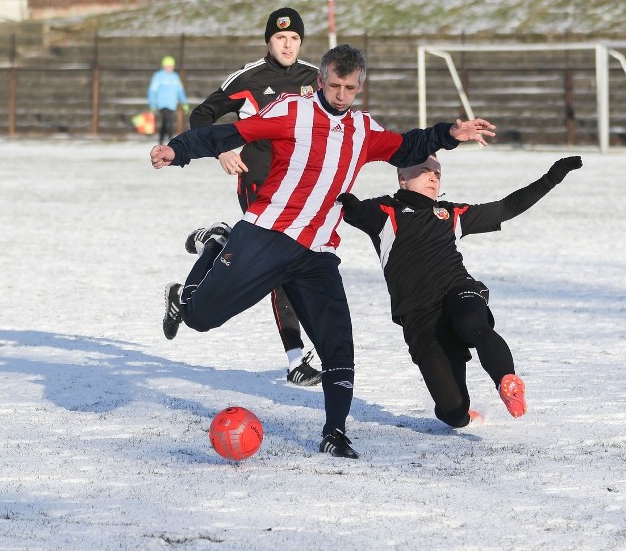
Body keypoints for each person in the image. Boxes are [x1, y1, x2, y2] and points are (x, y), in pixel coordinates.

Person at [150, 44, 496, 458]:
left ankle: (335, 433)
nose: (341, 95)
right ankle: (213, 252)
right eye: (335, 85)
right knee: (201, 318)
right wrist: (179, 150)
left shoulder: (364, 129)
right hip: (267, 234)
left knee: (339, 346)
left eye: (350, 88)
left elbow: (406, 146)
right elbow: (229, 133)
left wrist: (449, 134)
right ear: (320, 80)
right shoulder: (291, 112)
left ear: (359, 86)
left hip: (317, 252)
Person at [337, 153, 583, 429]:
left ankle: (507, 381)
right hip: (419, 318)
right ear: (402, 177)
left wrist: (551, 178)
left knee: (471, 322)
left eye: (438, 173)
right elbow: (346, 208)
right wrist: (347, 202)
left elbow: (506, 207)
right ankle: (462, 415)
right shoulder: (384, 212)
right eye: (425, 170)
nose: (433, 177)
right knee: (452, 410)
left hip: (458, 292)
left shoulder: (450, 214)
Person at [186, 7, 322, 387]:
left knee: (298, 263)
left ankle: (218, 243)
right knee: (280, 266)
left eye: (294, 38)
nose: (288, 44)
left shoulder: (315, 78)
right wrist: (221, 150)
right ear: (268, 40)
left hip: (301, 189)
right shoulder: (248, 79)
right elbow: (201, 116)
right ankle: (296, 360)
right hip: (258, 183)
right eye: (281, 38)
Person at [147, 55, 188, 145]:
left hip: (172, 104)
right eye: (168, 66)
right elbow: (152, 91)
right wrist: (152, 104)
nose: (170, 68)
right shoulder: (158, 76)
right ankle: (169, 141)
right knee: (168, 121)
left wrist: (184, 102)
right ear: (164, 66)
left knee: (167, 122)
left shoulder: (175, 77)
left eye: (171, 66)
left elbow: (180, 90)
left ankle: (164, 140)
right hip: (162, 104)